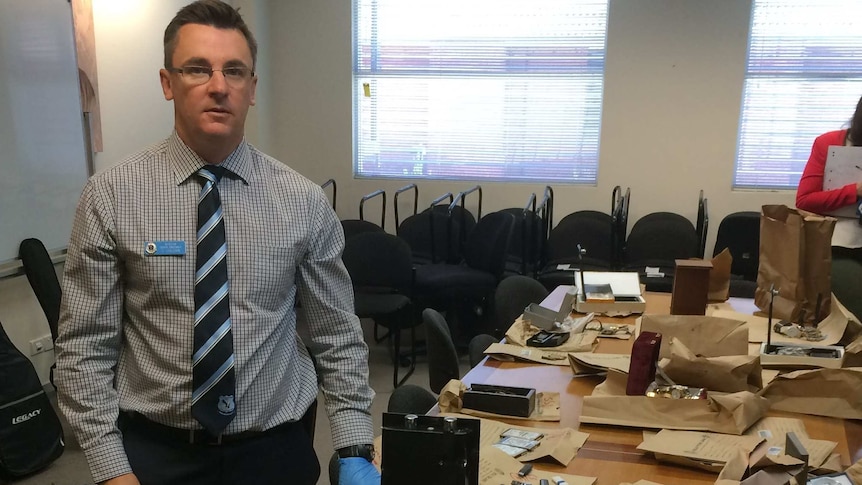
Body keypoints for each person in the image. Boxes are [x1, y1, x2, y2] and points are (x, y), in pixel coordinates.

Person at [55, 1, 380, 484]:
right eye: (196, 69)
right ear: (167, 83)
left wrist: (354, 445)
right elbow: (84, 347)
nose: (218, 85)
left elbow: (336, 335)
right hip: (156, 456)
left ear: (252, 89)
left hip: (275, 451)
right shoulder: (112, 197)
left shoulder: (303, 201)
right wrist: (109, 467)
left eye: (234, 71)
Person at [796, 94, 862, 320]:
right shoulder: (830, 142)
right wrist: (854, 191)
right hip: (840, 243)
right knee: (853, 304)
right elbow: (805, 200)